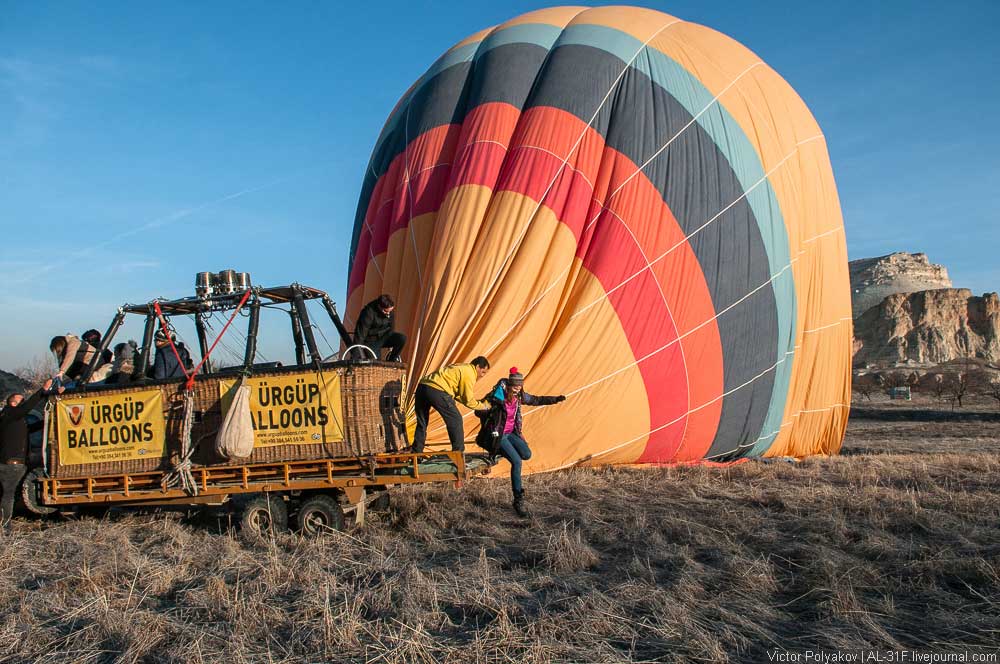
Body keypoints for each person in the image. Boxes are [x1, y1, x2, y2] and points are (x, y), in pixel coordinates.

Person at [475, 367, 565, 518]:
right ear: (510, 385)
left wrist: (555, 399)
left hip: (511, 433)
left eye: (520, 385)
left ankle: (500, 450)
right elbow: (479, 410)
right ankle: (518, 500)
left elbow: (536, 399)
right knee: (517, 462)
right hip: (500, 436)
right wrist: (488, 414)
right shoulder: (498, 397)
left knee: (526, 454)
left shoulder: (520, 396)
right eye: (516, 386)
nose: (518, 388)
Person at [412, 356, 491, 454]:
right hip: (438, 389)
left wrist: (477, 403)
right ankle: (458, 453)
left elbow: (459, 396)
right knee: (456, 419)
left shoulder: (460, 367)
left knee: (422, 422)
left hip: (422, 386)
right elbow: (468, 400)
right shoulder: (470, 373)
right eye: (483, 372)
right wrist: (484, 406)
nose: (482, 375)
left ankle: (416, 452)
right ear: (477, 366)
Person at [0, 388, 45, 527]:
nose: (24, 403)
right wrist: (43, 390)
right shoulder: (11, 413)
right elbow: (28, 406)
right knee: (8, 494)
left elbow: (30, 428)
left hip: (9, 463)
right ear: (13, 403)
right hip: (12, 464)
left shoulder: (10, 419)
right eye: (21, 401)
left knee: (6, 493)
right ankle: (5, 525)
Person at [353, 294, 406, 362]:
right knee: (377, 362)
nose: (389, 314)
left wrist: (391, 347)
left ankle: (391, 361)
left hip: (384, 337)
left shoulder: (389, 310)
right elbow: (360, 334)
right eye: (386, 312)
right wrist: (355, 355)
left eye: (390, 311)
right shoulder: (368, 312)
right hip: (371, 341)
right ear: (380, 307)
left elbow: (391, 328)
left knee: (401, 338)